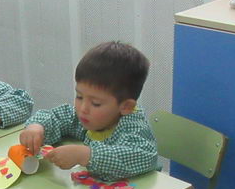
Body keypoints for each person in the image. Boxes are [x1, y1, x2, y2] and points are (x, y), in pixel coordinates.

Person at [19, 41, 158, 181]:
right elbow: (59, 117)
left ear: (126, 106)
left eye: (95, 103)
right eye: (79, 96)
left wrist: (86, 155)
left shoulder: (134, 127)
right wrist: (37, 128)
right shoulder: (91, 116)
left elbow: (144, 156)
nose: (83, 108)